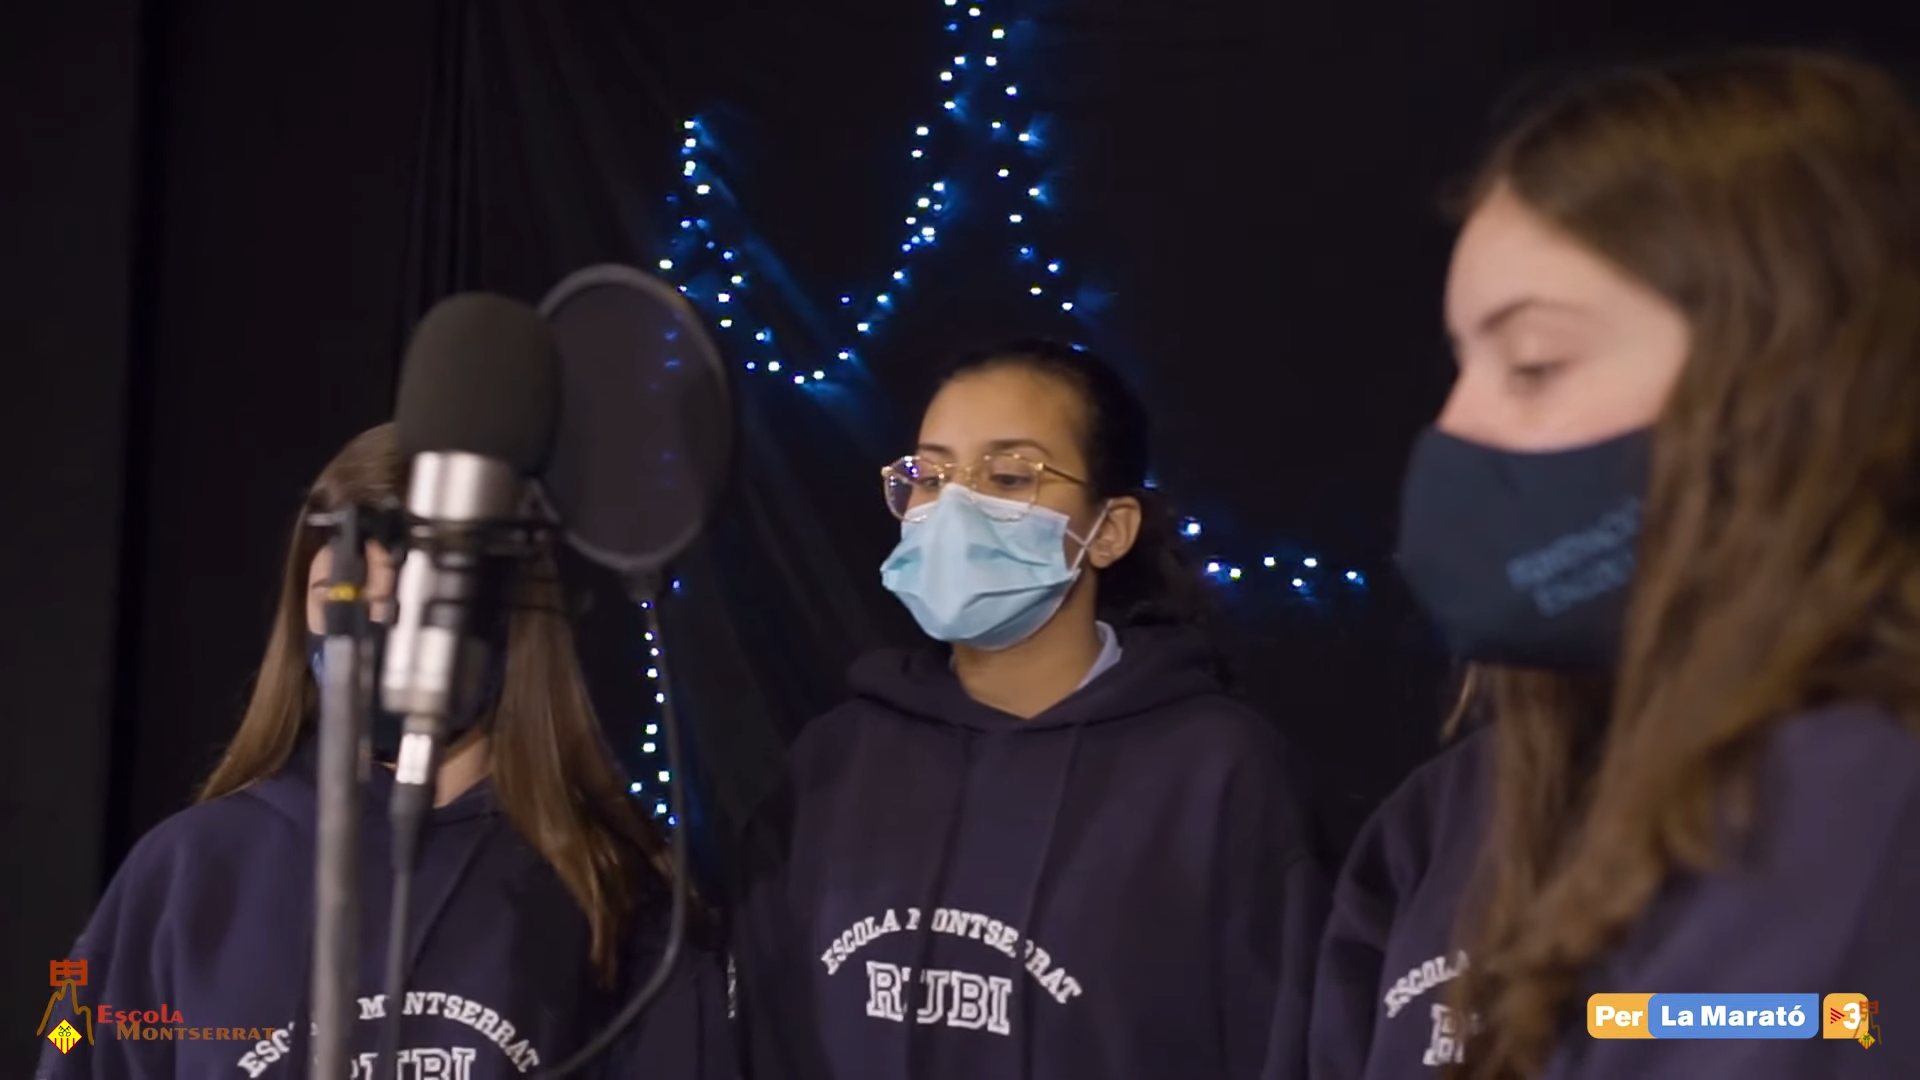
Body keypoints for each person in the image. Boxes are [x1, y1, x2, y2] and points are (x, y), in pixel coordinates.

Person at [1310, 50, 1920, 1080]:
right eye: (1462, 364)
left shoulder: (1862, 803)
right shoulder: (1523, 798)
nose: (1456, 428)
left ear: (1782, 373)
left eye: (1534, 362)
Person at [35, 423, 733, 1079]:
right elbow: (66, 1038)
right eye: (337, 599)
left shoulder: (608, 885)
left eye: (407, 599)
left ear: (505, 618)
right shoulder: (184, 871)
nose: (369, 630)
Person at [733, 339, 1325, 1080]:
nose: (954, 507)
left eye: (1009, 475)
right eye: (929, 475)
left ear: (1108, 530)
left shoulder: (1217, 774)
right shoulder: (834, 763)